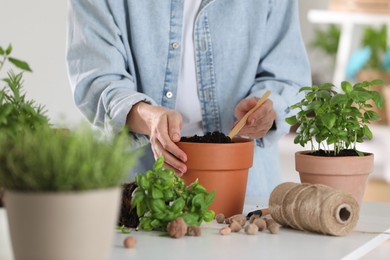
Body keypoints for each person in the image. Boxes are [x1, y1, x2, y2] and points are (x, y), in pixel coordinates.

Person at [66, 0, 311, 208]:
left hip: (245, 195)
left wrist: (268, 110)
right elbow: (96, 79)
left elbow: (287, 74)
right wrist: (147, 116)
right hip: (135, 189)